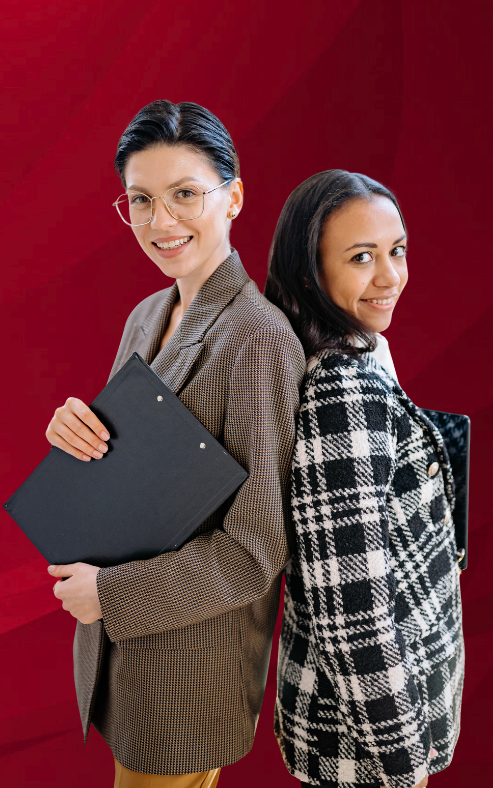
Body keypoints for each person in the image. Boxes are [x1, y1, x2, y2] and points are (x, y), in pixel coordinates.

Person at [44, 100, 306, 787]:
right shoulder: (146, 315)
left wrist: (112, 594)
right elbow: (129, 475)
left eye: (186, 195)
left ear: (235, 197)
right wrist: (72, 433)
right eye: (141, 200)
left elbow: (255, 549)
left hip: (187, 672)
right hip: (124, 660)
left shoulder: (258, 337)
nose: (161, 223)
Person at [264, 170, 464, 788]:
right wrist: (401, 765)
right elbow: (351, 615)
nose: (390, 276)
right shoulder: (341, 392)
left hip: (375, 727)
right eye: (360, 258)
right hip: (367, 746)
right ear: (309, 277)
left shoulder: (361, 352)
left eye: (396, 250)